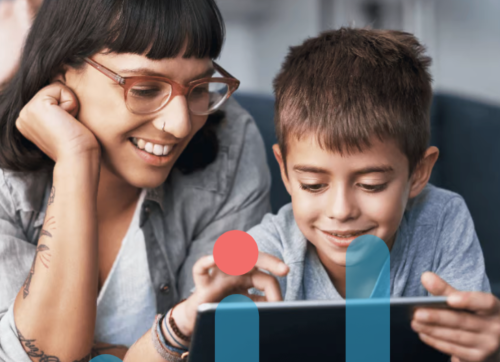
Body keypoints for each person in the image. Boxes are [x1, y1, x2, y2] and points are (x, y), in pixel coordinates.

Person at [168, 28, 500, 362]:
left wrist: (486, 352)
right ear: (284, 171)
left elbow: (472, 342)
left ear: (419, 173)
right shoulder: (268, 255)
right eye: (313, 185)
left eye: (371, 185)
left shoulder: (442, 221)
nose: (340, 211)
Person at [0, 0, 285, 361]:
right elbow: (44, 356)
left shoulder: (230, 138)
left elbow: (216, 346)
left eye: (198, 88)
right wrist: (75, 160)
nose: (180, 124)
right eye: (146, 89)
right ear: (62, 70)